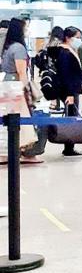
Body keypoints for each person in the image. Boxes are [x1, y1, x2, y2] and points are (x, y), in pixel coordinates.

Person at [2, 18, 45, 164]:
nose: (27, 31)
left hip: (7, 86)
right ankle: (26, 152)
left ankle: (9, 152)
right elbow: (21, 72)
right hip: (16, 88)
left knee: (10, 121)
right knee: (24, 122)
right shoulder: (19, 48)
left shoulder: (8, 47)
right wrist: (26, 90)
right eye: (25, 28)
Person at [54, 27, 82, 159]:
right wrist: (69, 93)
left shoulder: (69, 51)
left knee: (72, 115)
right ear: (68, 38)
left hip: (72, 89)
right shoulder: (65, 53)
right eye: (77, 37)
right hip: (69, 90)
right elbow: (66, 74)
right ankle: (69, 148)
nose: (79, 40)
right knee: (71, 117)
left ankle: (70, 146)